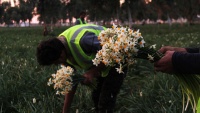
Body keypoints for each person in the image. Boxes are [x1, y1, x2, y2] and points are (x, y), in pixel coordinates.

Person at [36, 24, 127, 113]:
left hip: (119, 56)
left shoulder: (83, 41)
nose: (58, 64)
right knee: (96, 97)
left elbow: (114, 51)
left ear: (61, 54)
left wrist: (92, 72)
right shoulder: (59, 48)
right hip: (103, 62)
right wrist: (65, 110)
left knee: (105, 101)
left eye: (56, 62)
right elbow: (71, 81)